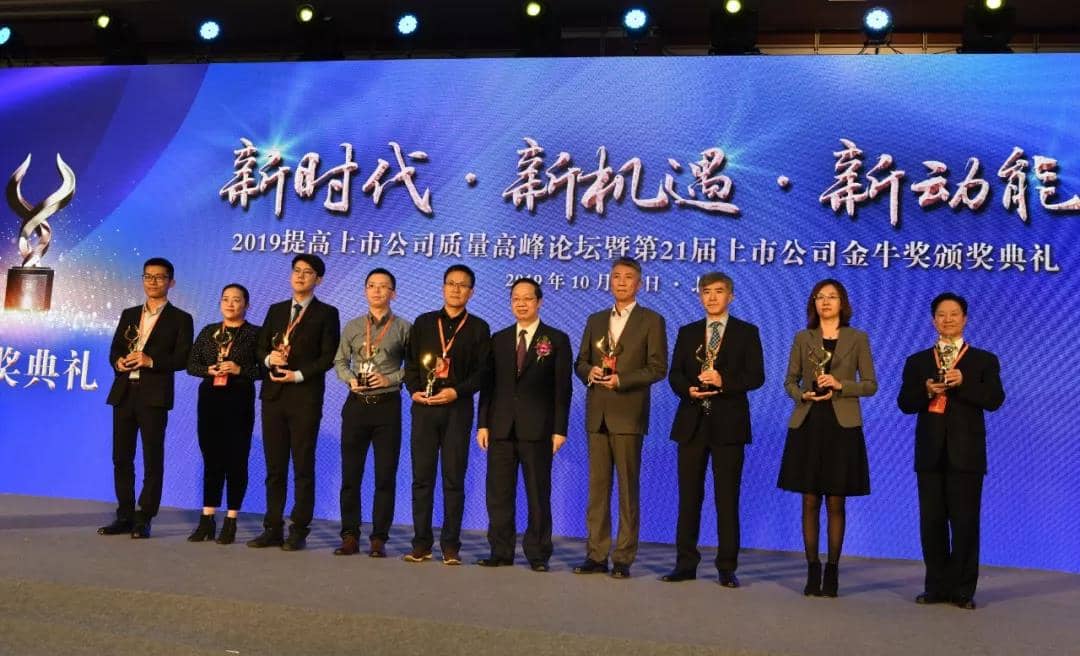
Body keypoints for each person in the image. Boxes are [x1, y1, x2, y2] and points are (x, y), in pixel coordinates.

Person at [898, 292, 1004, 611]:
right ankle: (936, 587)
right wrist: (926, 390)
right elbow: (904, 403)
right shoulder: (917, 361)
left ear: (965, 319)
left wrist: (964, 382)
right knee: (931, 523)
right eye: (941, 315)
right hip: (929, 453)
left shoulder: (984, 360)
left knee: (965, 523)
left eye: (954, 314)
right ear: (934, 321)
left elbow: (995, 400)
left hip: (967, 454)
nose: (948, 319)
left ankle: (963, 590)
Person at [661, 272, 764, 588]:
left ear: (730, 296)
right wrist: (688, 390)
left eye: (719, 292)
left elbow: (756, 376)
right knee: (688, 498)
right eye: (706, 292)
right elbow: (675, 374)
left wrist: (724, 381)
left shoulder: (747, 332)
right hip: (691, 424)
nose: (712, 297)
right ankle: (685, 564)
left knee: (727, 498)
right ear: (700, 296)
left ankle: (726, 567)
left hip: (729, 426)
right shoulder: (688, 331)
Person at [778, 278, 876, 597]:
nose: (825, 302)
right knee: (809, 500)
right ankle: (812, 569)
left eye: (831, 297)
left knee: (836, 501)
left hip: (841, 426)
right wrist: (802, 395)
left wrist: (840, 384)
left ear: (842, 303)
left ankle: (832, 571)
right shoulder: (802, 337)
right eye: (820, 297)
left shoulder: (857, 338)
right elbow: (789, 381)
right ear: (814, 304)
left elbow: (870, 384)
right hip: (808, 423)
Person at [573, 257, 667, 579]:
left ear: (639, 283)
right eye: (616, 277)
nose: (622, 282)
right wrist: (590, 372)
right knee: (597, 490)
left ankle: (624, 557)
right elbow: (580, 362)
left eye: (628, 277)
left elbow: (658, 368)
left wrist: (621, 380)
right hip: (597, 414)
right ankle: (596, 554)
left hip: (628, 414)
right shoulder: (596, 319)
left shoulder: (651, 320)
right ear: (609, 281)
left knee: (628, 489)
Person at [475, 278, 572, 572]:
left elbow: (562, 389)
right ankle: (500, 551)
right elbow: (488, 386)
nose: (521, 303)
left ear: (539, 302)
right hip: (501, 428)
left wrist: (559, 429)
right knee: (498, 494)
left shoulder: (556, 339)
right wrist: (483, 424)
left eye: (527, 298)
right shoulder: (499, 338)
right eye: (516, 298)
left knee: (537, 494)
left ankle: (538, 554)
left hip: (538, 430)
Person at [248, 254, 340, 551]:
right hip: (273, 397)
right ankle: (272, 528)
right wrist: (268, 358)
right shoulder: (276, 310)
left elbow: (328, 357)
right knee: (274, 467)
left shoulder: (327, 313)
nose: (300, 276)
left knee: (302, 466)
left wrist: (298, 375)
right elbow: (260, 346)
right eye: (296, 271)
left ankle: (299, 529)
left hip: (304, 398)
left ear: (318, 279)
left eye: (307, 272)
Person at [402, 264, 490, 565]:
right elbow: (410, 364)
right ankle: (421, 544)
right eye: (451, 283)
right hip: (424, 409)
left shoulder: (479, 328)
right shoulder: (424, 322)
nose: (456, 289)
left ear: (471, 292)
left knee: (454, 479)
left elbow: (482, 373)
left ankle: (451, 545)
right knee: (422, 479)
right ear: (443, 288)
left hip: (457, 409)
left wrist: (457, 391)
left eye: (462, 285)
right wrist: (414, 390)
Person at [100, 257, 193, 539]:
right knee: (121, 457)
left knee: (152, 458)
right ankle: (124, 515)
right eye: (148, 277)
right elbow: (115, 349)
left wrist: (151, 360)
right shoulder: (129, 314)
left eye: (160, 277)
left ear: (171, 282)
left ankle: (145, 517)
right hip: (124, 392)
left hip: (154, 396)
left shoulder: (181, 318)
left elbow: (183, 359)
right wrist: (118, 362)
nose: (153, 282)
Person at [332, 268, 410, 558]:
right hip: (356, 406)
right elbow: (340, 360)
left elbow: (414, 368)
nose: (377, 291)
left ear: (394, 293)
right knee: (350, 475)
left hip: (387, 407)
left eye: (383, 286)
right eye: (371, 286)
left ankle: (379, 538)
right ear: (365, 291)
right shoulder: (353, 326)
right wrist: (349, 378)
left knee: (385, 476)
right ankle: (349, 535)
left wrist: (390, 379)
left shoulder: (404, 328)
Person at [185, 283, 261, 545]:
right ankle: (207, 519)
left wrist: (240, 370)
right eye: (225, 299)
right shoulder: (209, 331)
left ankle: (231, 520)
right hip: (210, 400)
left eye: (236, 300)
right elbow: (191, 364)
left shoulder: (255, 333)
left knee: (236, 460)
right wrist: (209, 370)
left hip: (239, 400)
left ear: (246, 305)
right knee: (211, 458)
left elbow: (264, 370)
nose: (230, 304)